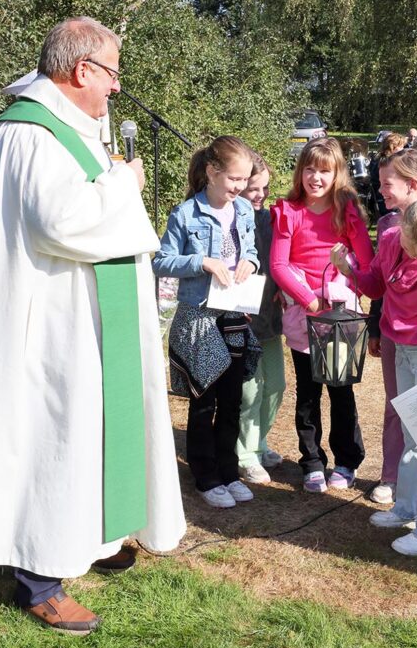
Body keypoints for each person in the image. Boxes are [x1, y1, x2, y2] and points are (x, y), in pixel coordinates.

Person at [0, 17, 186, 635]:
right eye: (113, 74)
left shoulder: (68, 123)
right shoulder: (30, 132)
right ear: (82, 71)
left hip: (83, 314)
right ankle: (41, 577)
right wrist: (125, 184)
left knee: (87, 434)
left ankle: (92, 536)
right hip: (47, 320)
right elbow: (60, 223)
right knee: (48, 435)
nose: (117, 89)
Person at [333, 194, 417, 556]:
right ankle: (407, 507)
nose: (415, 250)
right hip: (400, 347)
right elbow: (376, 284)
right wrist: (350, 271)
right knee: (411, 434)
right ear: (402, 225)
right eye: (411, 239)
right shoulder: (392, 239)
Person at [154, 135, 261, 509]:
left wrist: (251, 260)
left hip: (234, 314)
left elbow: (249, 249)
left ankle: (229, 470)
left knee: (232, 399)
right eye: (234, 179)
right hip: (200, 317)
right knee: (205, 401)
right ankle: (205, 475)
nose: (240, 188)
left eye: (244, 180)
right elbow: (162, 260)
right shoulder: (185, 215)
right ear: (212, 172)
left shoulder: (244, 211)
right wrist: (201, 262)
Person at [269, 137, 373, 493]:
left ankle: (346, 461)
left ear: (336, 174)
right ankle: (312, 460)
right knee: (308, 392)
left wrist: (345, 280)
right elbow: (279, 264)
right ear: (301, 171)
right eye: (309, 169)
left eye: (324, 171)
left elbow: (367, 262)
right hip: (304, 315)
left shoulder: (348, 210)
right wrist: (306, 300)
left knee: (341, 392)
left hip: (340, 317)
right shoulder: (287, 210)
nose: (315, 177)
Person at [366, 149, 417, 504]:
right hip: (393, 334)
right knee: (396, 405)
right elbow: (381, 281)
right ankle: (392, 477)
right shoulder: (387, 225)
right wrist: (375, 327)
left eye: (386, 184)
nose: (381, 191)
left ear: (412, 185)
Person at [235, 151, 285, 484]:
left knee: (276, 386)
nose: (261, 196)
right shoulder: (231, 220)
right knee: (249, 391)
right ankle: (245, 453)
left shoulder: (269, 219)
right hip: (243, 318)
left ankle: (261, 440)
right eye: (254, 188)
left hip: (270, 315)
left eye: (265, 188)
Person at [370, 132, 407, 218]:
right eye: (401, 147)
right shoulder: (386, 163)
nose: (403, 150)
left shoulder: (378, 158)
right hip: (386, 199)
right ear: (392, 147)